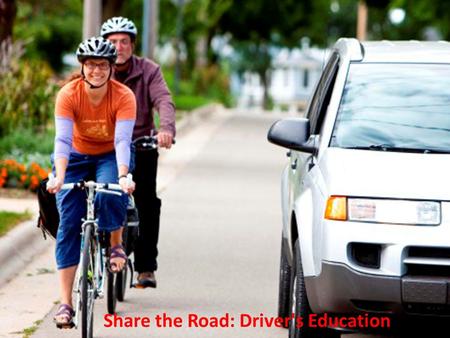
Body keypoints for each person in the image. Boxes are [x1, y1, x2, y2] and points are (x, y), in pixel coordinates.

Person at [47, 36, 136, 328]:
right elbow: (61, 140)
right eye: (90, 65)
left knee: (110, 192)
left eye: (102, 65)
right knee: (68, 224)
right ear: (82, 67)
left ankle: (114, 243)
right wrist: (59, 177)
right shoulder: (68, 94)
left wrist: (123, 176)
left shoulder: (123, 96)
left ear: (111, 68)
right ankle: (66, 303)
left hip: (110, 155)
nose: (96, 70)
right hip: (74, 156)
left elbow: (123, 140)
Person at [101, 16, 176, 288]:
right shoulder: (99, 70)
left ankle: (146, 267)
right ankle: (97, 248)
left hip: (141, 143)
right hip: (106, 146)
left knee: (146, 202)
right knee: (99, 196)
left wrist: (165, 129)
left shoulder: (148, 70)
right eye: (113, 42)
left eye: (124, 42)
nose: (119, 47)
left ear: (132, 45)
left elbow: (163, 100)